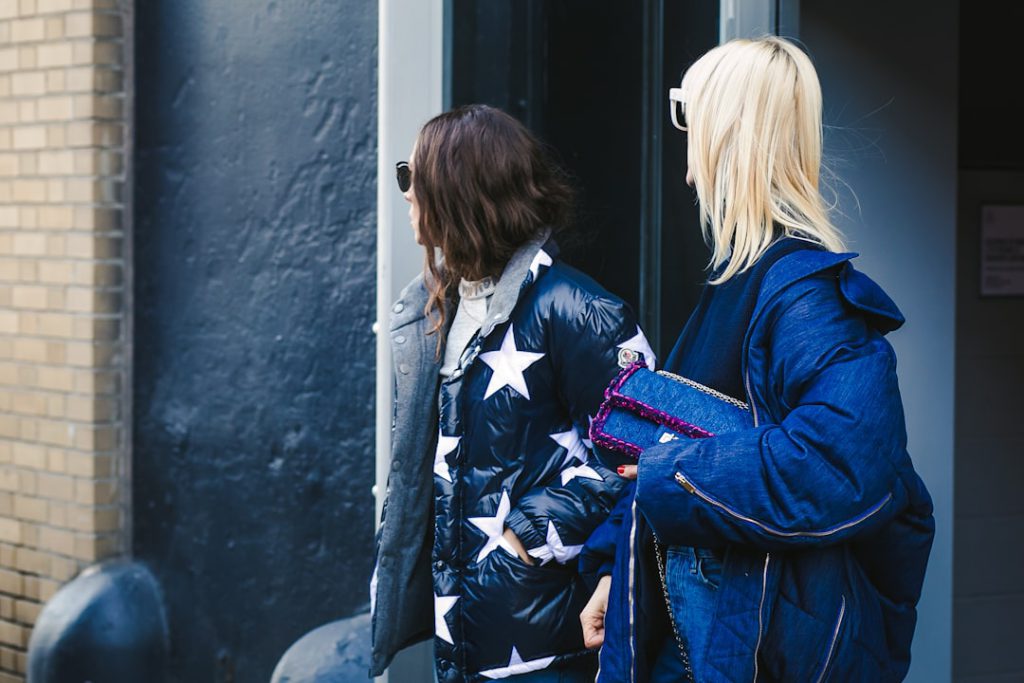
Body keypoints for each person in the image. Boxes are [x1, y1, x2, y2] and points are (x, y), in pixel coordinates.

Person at [579, 37, 934, 682]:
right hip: (703, 643)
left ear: (725, 135)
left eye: (692, 120)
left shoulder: (804, 295)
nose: (686, 161)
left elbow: (840, 465)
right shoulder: (741, 283)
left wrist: (671, 473)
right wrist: (615, 569)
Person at [369, 104, 655, 683]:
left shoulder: (578, 311)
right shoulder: (436, 308)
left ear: (461, 191)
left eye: (413, 177)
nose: (405, 194)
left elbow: (646, 453)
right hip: (463, 627)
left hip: (544, 638)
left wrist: (524, 537)